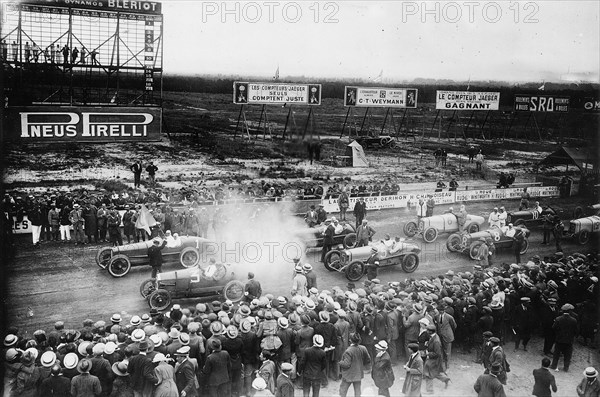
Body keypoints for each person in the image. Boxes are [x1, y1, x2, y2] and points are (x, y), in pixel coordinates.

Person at [423, 324, 451, 393]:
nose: (426, 331)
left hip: (434, 360)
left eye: (427, 330)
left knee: (428, 374)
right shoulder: (433, 337)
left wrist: (428, 353)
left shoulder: (436, 341)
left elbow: (437, 353)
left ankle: (430, 390)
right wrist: (428, 344)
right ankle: (446, 379)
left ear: (431, 331)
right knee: (435, 373)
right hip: (434, 359)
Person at [551, 303, 578, 372]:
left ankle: (554, 365)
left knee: (556, 353)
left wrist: (558, 333)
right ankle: (566, 368)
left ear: (563, 311)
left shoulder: (558, 319)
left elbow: (553, 328)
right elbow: (576, 331)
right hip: (569, 340)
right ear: (569, 311)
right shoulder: (574, 320)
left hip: (559, 339)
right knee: (567, 355)